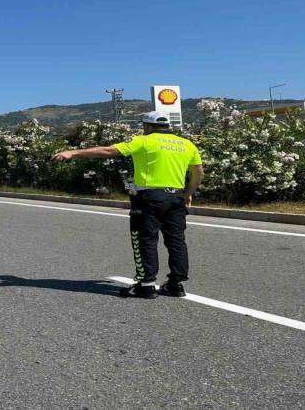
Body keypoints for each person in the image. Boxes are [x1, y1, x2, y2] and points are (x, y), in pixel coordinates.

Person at [51, 111, 203, 299]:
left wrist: (72, 153)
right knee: (176, 240)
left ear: (147, 126)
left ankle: (146, 284)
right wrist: (187, 194)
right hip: (176, 197)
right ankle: (175, 284)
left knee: (145, 238)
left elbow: (108, 151)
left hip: (149, 196)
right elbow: (198, 172)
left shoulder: (144, 141)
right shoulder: (186, 144)